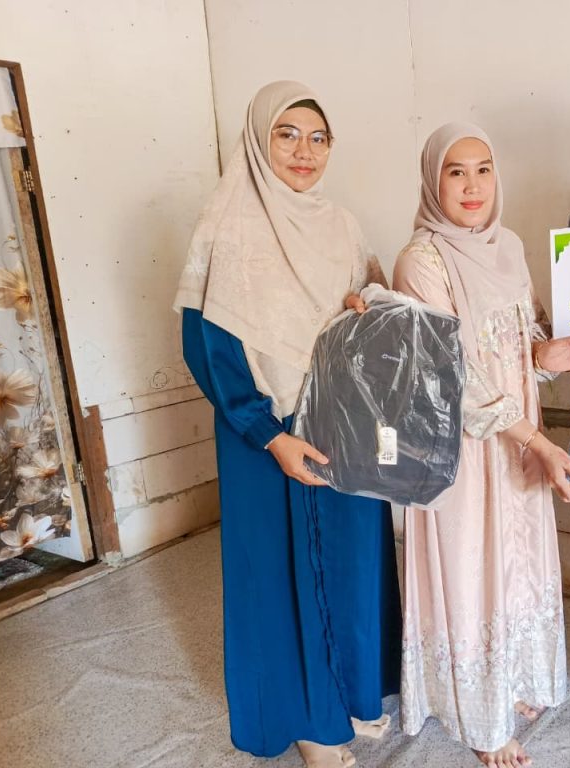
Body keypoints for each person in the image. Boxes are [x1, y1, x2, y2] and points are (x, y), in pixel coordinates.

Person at [173, 81, 401, 767]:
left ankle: (351, 695)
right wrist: (267, 434)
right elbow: (206, 346)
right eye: (287, 134)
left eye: (318, 137)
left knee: (352, 559)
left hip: (342, 420)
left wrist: (367, 305)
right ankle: (308, 724)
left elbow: (371, 304)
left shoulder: (343, 225)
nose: (305, 151)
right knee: (277, 575)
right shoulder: (226, 226)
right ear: (257, 139)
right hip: (265, 427)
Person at [392, 122, 570, 768]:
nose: (472, 186)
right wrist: (537, 441)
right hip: (463, 449)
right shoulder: (420, 262)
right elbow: (451, 375)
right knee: (471, 564)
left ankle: (512, 680)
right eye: (455, 172)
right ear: (432, 180)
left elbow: (518, 340)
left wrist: (550, 353)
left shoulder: (507, 245)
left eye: (483, 169)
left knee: (517, 561)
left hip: (518, 438)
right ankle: (479, 718)